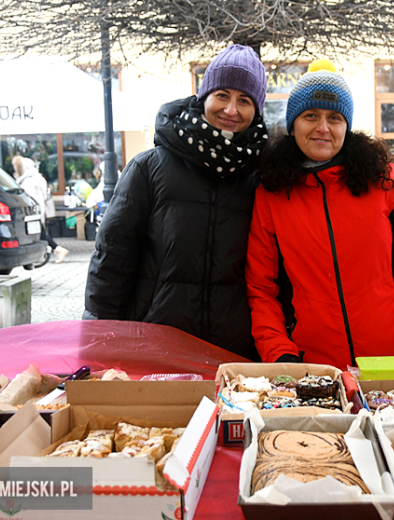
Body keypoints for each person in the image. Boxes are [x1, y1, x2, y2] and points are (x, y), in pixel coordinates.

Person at [245, 60, 394, 376]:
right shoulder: (272, 193)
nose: (322, 128)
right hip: (311, 368)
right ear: (293, 123)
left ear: (347, 126)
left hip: (392, 365)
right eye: (310, 116)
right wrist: (279, 355)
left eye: (334, 118)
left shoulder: (384, 180)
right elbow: (260, 286)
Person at [83, 44, 268, 361]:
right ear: (204, 97)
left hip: (235, 353)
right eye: (222, 95)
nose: (231, 109)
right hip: (156, 346)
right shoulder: (149, 168)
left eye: (245, 100)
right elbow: (112, 260)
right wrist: (99, 341)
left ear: (257, 110)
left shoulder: (262, 178)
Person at [12, 155, 69, 264]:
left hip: (32, 213)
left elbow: (28, 199)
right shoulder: (36, 177)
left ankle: (57, 249)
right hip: (38, 212)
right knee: (40, 233)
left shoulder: (28, 181)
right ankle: (56, 249)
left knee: (39, 233)